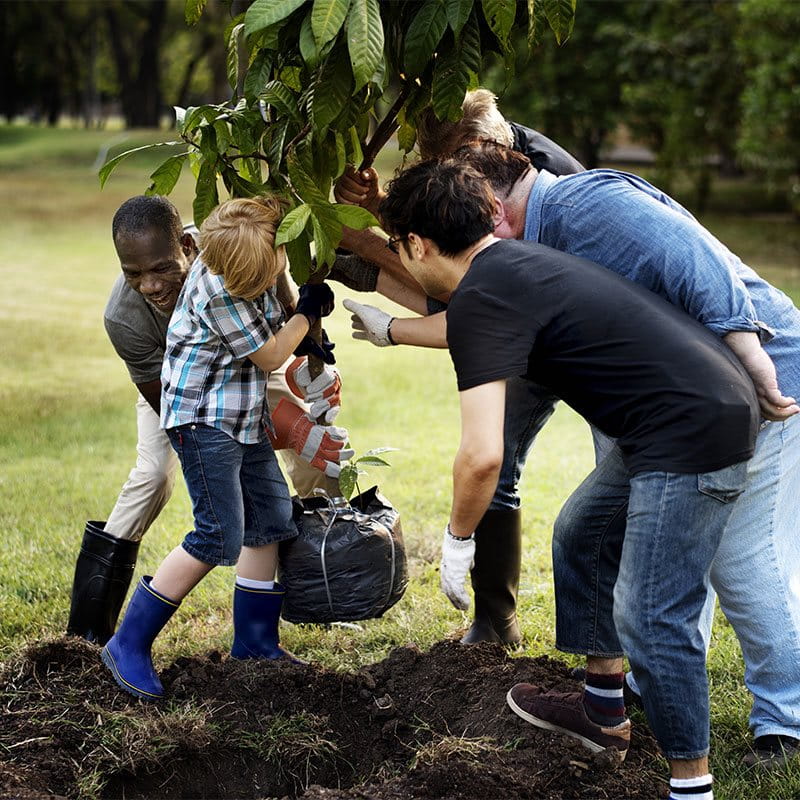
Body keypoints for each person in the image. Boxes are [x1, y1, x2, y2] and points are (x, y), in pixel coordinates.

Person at [343, 139, 800, 769]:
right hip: (677, 411)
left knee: (657, 611)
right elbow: (468, 321)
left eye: (399, 246)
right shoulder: (516, 261)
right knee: (582, 533)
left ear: (419, 245)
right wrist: (390, 329)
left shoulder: (579, 215)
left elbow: (481, 456)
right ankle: (603, 710)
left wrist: (456, 541)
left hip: (706, 418)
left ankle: (699, 775)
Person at [335, 89, 585, 648]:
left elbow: (474, 297)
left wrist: (369, 247)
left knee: (588, 501)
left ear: (483, 149)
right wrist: (380, 214)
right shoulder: (482, 160)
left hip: (587, 341)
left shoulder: (544, 186)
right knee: (501, 465)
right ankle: (495, 623)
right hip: (526, 322)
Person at [67, 195, 349, 646]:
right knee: (166, 487)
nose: (150, 286)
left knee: (279, 504)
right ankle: (100, 632)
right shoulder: (133, 316)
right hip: (187, 398)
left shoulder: (235, 247)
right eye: (133, 274)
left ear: (187, 245)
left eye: (160, 268)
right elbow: (179, 406)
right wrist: (286, 423)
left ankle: (279, 625)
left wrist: (308, 359)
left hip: (240, 376)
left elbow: (277, 316)